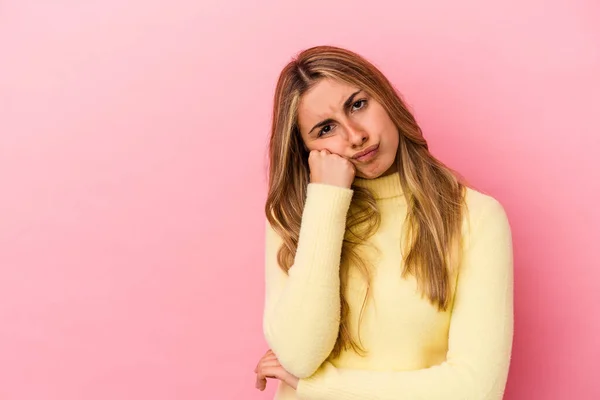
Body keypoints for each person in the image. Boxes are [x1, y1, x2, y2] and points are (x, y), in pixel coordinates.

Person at [254, 45, 514, 400]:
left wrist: (319, 387)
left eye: (357, 105)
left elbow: (476, 389)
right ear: (306, 149)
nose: (355, 135)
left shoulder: (476, 218)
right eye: (326, 128)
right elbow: (300, 355)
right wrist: (327, 201)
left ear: (386, 99)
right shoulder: (293, 218)